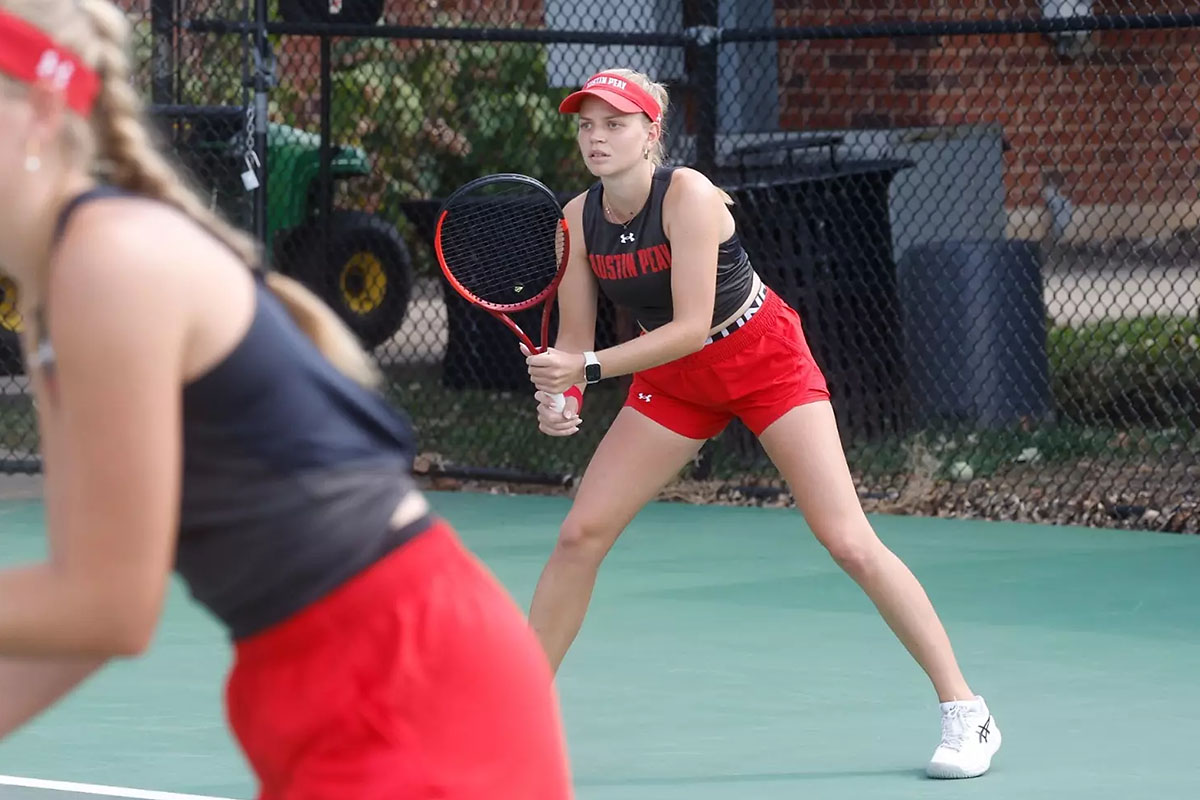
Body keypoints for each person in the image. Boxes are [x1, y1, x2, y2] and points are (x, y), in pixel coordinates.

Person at [0, 3, 573, 798]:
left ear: (40, 112)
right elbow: (84, 621)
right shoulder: (52, 295)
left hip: (407, 682)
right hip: (318, 687)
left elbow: (108, 604)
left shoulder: (110, 263)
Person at [522, 68, 1002, 780]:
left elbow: (690, 325)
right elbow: (576, 339)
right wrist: (563, 398)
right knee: (579, 535)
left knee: (847, 541)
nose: (597, 137)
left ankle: (967, 710)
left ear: (652, 134)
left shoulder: (688, 196)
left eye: (615, 124)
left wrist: (585, 371)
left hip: (761, 358)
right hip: (675, 382)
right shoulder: (575, 219)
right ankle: (516, 718)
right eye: (587, 125)